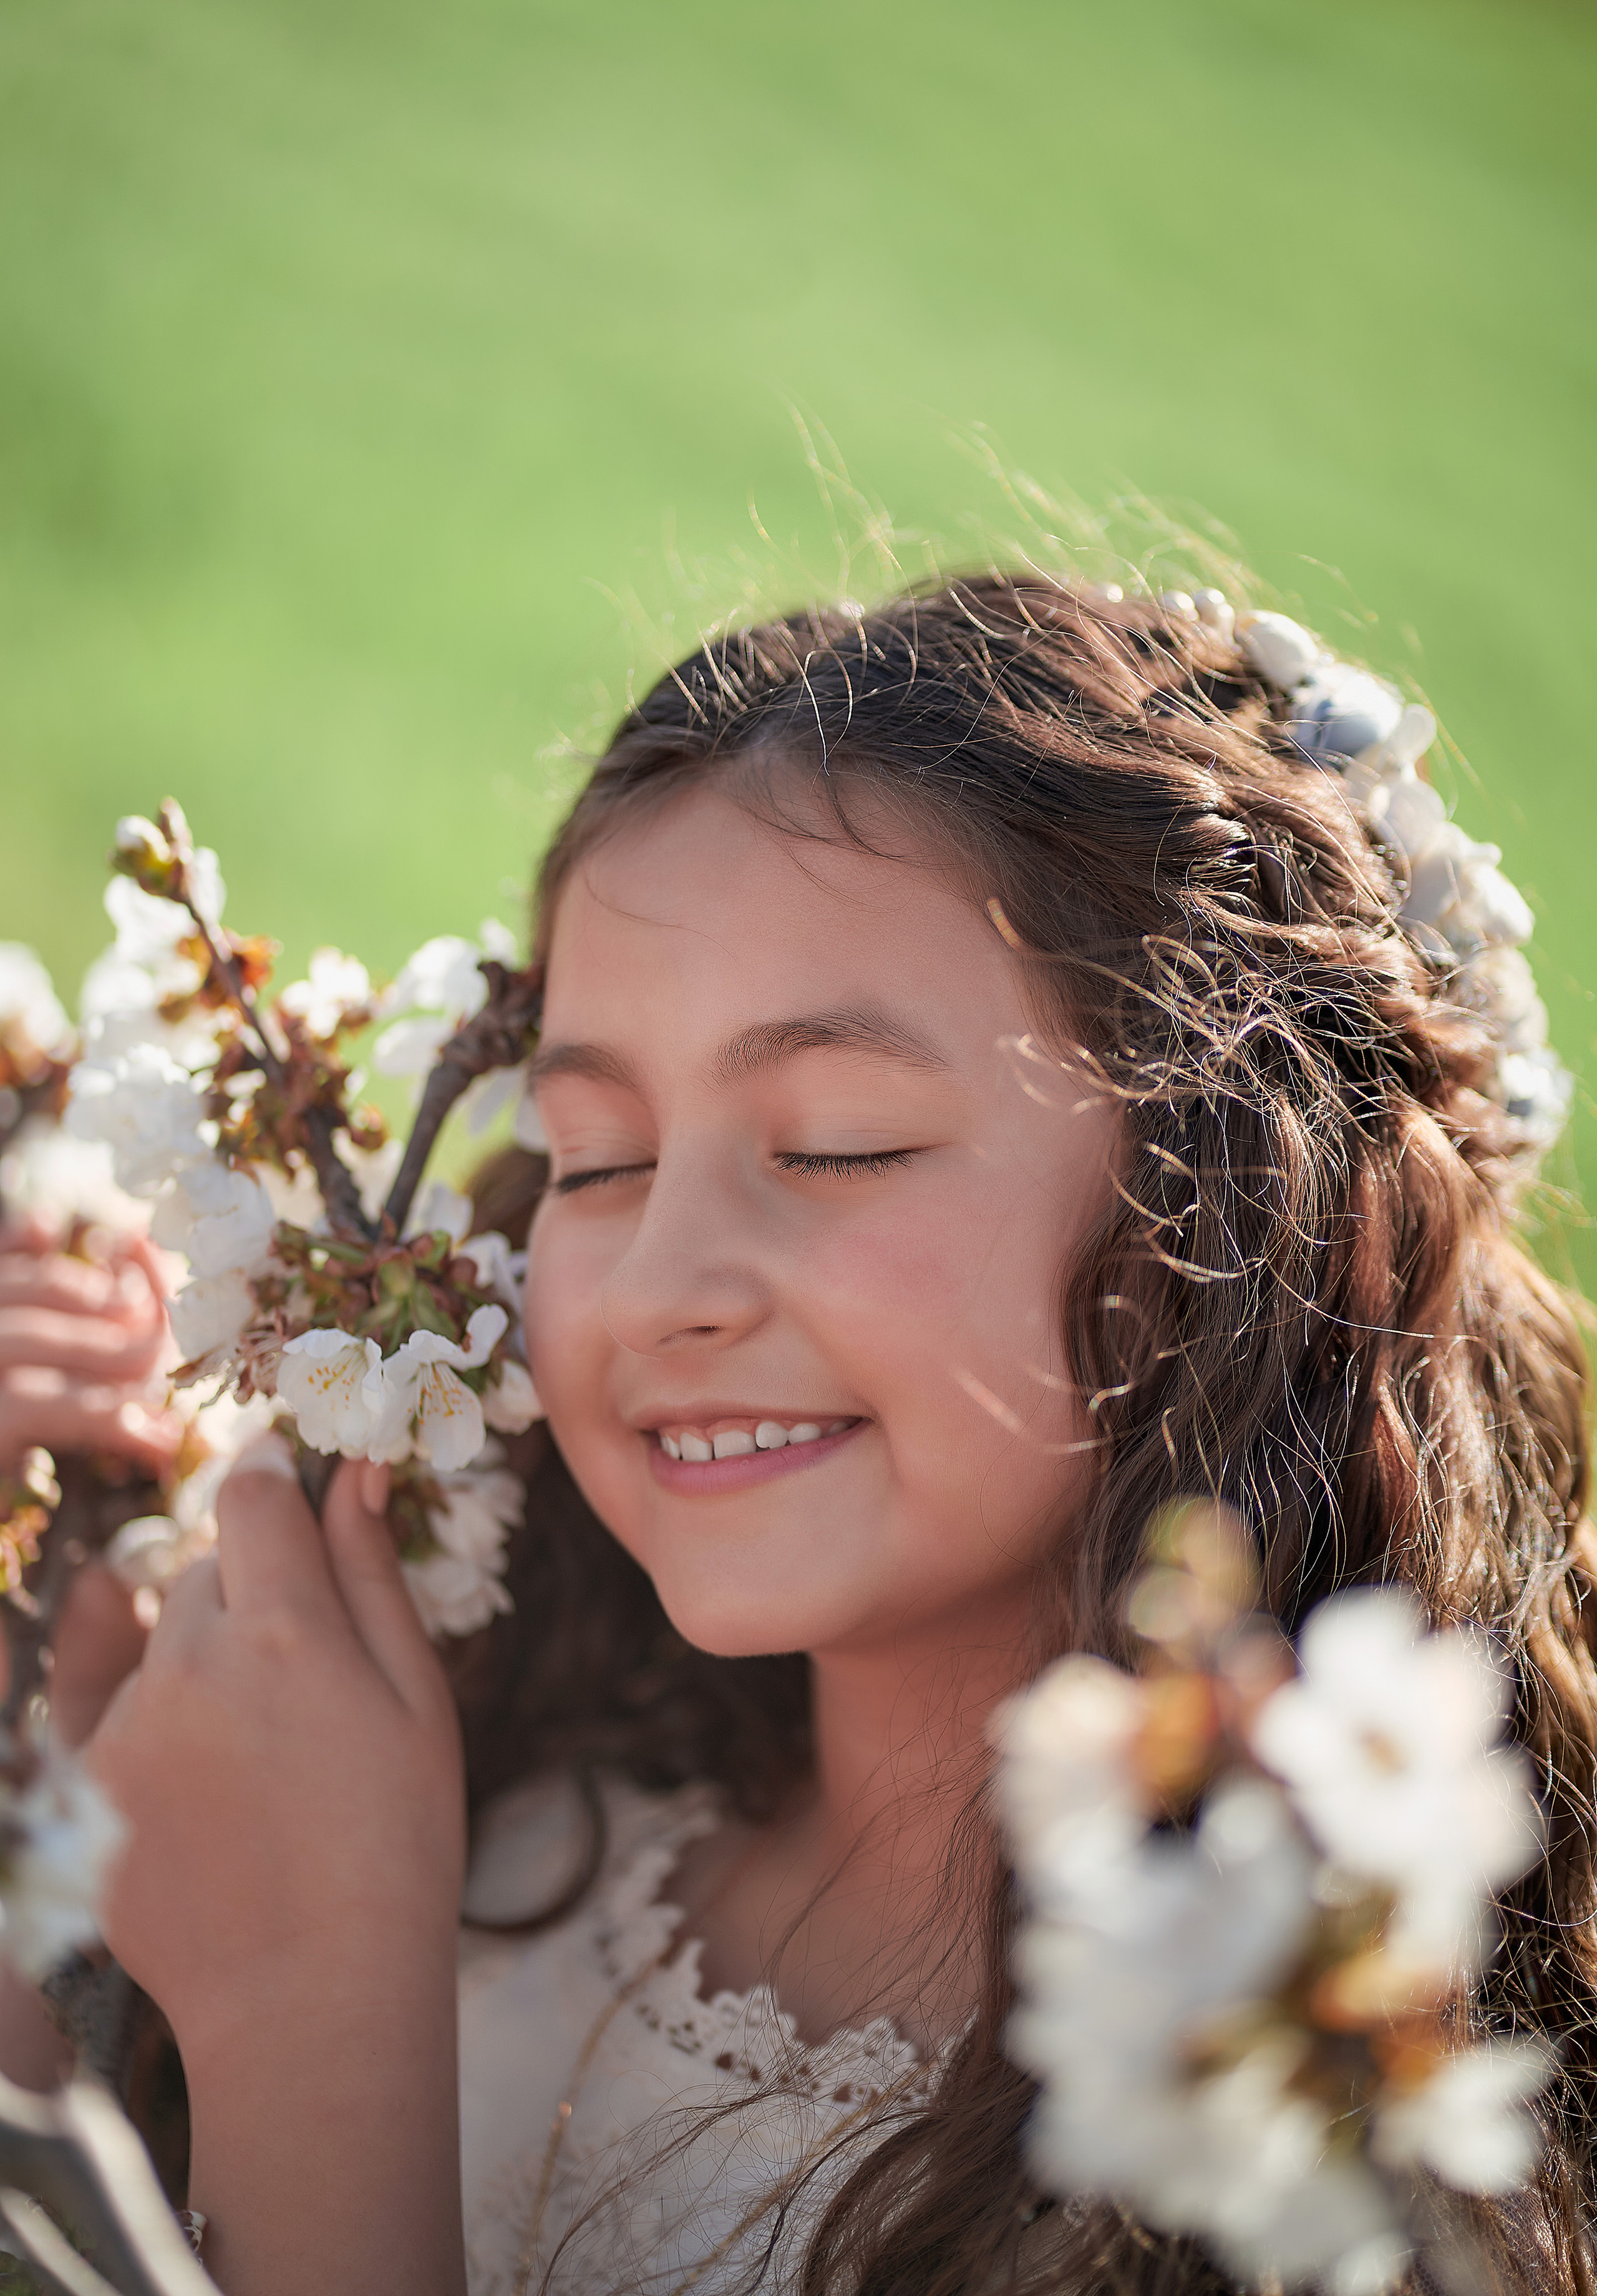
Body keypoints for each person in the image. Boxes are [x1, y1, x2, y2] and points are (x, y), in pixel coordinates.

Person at [16, 571, 1597, 2296]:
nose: (660, 1287)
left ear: (1232, 1208)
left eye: (837, 1144)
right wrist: (69, 1855)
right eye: (599, 1159)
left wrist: (307, 2028)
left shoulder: (1278, 2151)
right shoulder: (509, 1816)